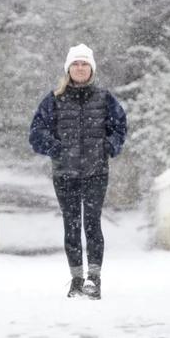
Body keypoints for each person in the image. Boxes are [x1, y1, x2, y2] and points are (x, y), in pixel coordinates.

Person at [29, 44, 127, 300]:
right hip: (65, 174)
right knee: (71, 227)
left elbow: (120, 128)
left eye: (84, 64)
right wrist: (57, 149)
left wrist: (108, 147)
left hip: (96, 172)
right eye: (76, 64)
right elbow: (36, 133)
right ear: (68, 69)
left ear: (91, 69)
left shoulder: (105, 99)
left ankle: (94, 279)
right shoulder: (54, 99)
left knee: (92, 224)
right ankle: (76, 279)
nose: (80, 68)